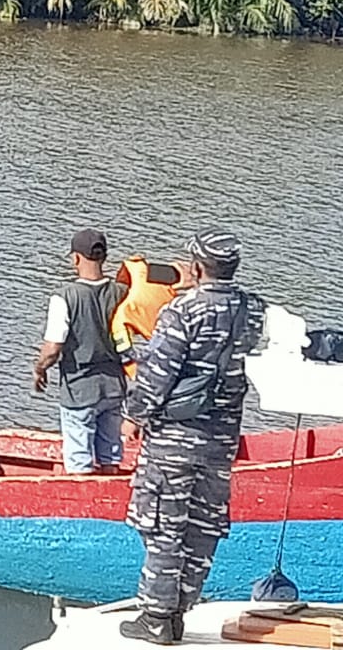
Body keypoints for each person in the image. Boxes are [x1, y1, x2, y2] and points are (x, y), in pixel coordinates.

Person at [118, 230, 265, 645]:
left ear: (197, 267)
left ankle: (156, 619)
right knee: (203, 527)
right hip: (221, 439)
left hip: (175, 437)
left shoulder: (182, 310)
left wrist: (134, 417)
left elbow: (158, 373)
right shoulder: (252, 309)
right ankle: (180, 612)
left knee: (165, 524)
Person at [33, 228, 130, 475]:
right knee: (110, 458)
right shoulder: (122, 292)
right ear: (104, 257)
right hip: (114, 387)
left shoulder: (65, 297)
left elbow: (53, 348)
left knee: (79, 462)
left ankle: (83, 506)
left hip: (79, 391)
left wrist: (40, 368)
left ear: (75, 258)